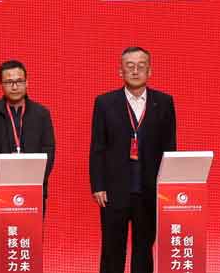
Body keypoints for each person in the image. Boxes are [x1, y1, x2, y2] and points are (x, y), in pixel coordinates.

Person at [90, 47, 178, 273]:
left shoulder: (164, 102)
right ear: (120, 71)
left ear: (150, 71)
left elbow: (170, 147)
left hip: (149, 190)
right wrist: (98, 185)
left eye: (141, 66)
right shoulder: (105, 103)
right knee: (112, 250)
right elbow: (98, 147)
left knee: (144, 249)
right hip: (113, 190)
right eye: (130, 66)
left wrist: (168, 186)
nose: (135, 71)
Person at [0, 59, 56, 272]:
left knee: (28, 246)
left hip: (33, 192)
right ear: (1, 85)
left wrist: (33, 180)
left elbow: (49, 149)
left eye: (19, 81)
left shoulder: (41, 114)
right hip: (0, 192)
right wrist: (9, 181)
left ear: (27, 82)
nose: (14, 86)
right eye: (9, 82)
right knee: (2, 246)